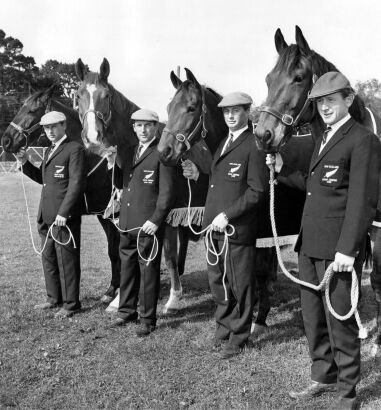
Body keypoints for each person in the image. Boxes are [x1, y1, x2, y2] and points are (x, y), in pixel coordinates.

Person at [267, 72, 381, 410]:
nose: (325, 107)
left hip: (338, 251)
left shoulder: (363, 140)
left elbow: (362, 200)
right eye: (319, 102)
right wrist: (283, 169)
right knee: (313, 318)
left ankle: (347, 392)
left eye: (331, 100)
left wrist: (348, 249)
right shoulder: (322, 138)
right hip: (309, 244)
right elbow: (316, 187)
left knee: (340, 319)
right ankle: (323, 375)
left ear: (348, 100)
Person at [182, 92, 268, 359]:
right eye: (226, 112)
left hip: (235, 229)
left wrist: (228, 215)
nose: (230, 116)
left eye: (236, 111)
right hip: (213, 227)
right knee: (217, 280)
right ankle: (224, 326)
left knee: (239, 283)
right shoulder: (223, 142)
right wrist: (198, 174)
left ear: (247, 112)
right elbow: (219, 181)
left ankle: (240, 336)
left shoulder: (253, 144)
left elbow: (257, 191)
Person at [107, 109, 176, 336]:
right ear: (133, 128)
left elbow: (167, 194)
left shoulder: (161, 152)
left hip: (148, 224)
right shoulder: (128, 151)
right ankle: (126, 310)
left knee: (148, 271)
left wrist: (156, 221)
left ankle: (147, 318)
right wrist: (113, 164)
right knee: (127, 268)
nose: (143, 130)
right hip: (127, 222)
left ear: (156, 127)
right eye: (139, 126)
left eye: (148, 126)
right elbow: (121, 183)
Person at [15, 111, 86, 318]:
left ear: (64, 126)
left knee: (67, 261)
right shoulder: (48, 151)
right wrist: (25, 163)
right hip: (45, 215)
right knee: (49, 259)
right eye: (47, 128)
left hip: (63, 217)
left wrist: (64, 212)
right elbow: (42, 179)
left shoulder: (74, 149)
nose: (50, 131)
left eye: (54, 126)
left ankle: (71, 304)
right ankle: (53, 298)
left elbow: (76, 183)